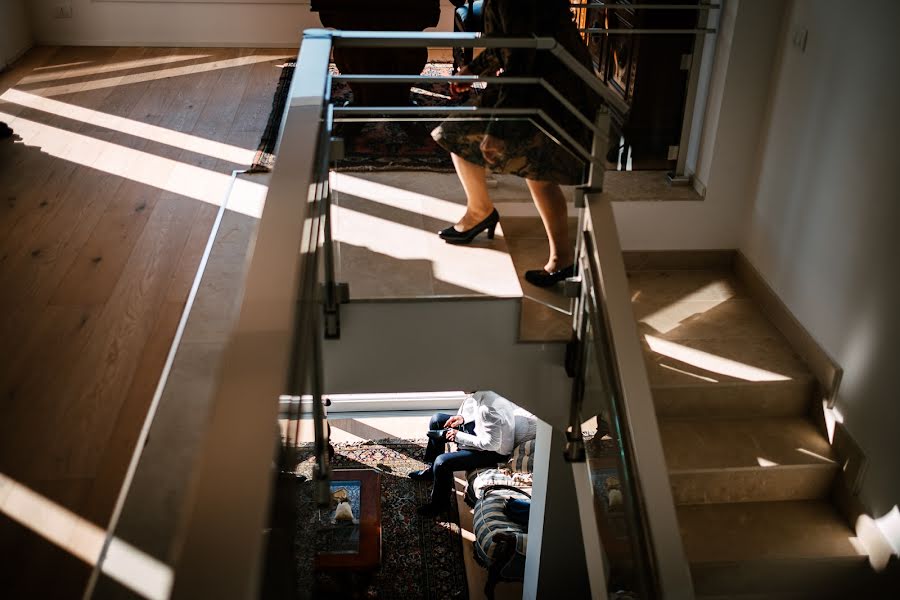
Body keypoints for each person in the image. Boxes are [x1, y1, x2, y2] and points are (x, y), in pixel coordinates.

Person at [431, 0, 598, 287]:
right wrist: (473, 68)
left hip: (551, 92)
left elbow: (521, 59)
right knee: (537, 171)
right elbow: (508, 44)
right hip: (546, 88)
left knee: (458, 134)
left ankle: (482, 213)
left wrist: (499, 128)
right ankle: (560, 258)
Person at [410, 390, 517, 517]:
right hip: (482, 430)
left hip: (494, 452)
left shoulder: (488, 408)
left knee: (442, 462)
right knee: (437, 420)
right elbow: (479, 414)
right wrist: (463, 419)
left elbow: (492, 444)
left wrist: (458, 436)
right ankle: (432, 472)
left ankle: (440, 505)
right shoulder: (485, 392)